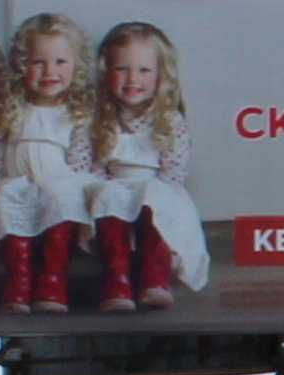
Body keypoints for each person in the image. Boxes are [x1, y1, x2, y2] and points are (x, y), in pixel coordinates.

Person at [84, 18, 204, 311]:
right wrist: (100, 185)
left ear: (160, 76)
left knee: (157, 206)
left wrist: (155, 191)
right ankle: (118, 281)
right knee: (108, 202)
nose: (132, 79)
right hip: (113, 183)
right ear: (106, 72)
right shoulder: (100, 118)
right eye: (122, 69)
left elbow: (173, 170)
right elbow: (91, 164)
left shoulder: (168, 120)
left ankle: (155, 278)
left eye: (144, 70)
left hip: (157, 185)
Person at [0, 11, 93, 312]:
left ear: (75, 66)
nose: (49, 71)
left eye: (60, 62)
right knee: (7, 207)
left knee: (62, 204)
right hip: (16, 180)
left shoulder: (76, 113)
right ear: (22, 66)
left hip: (58, 180)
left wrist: (75, 183)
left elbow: (81, 157)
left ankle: (52, 279)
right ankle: (19, 281)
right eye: (38, 62)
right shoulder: (12, 108)